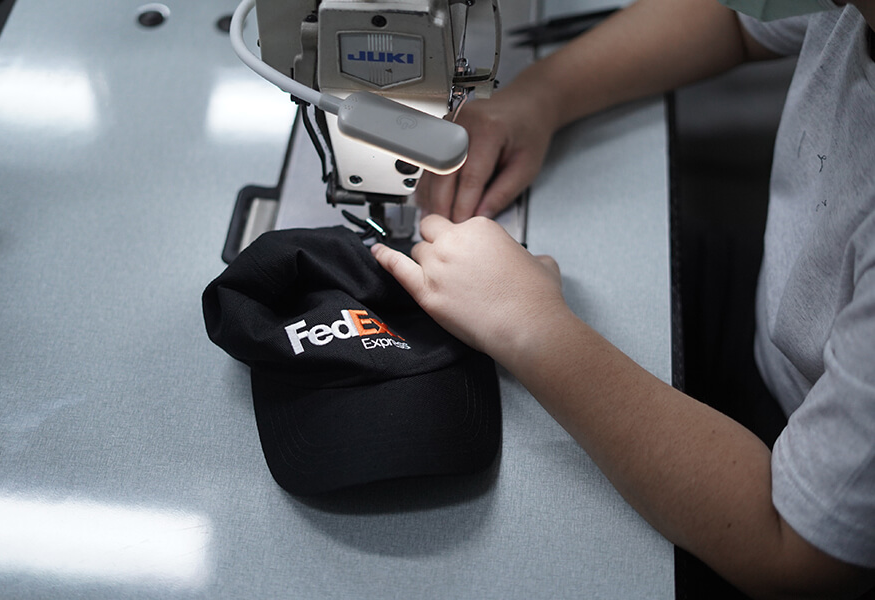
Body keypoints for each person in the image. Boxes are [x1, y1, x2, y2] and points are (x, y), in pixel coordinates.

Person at [370, 0, 875, 597]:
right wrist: (539, 95)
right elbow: (733, 18)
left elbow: (798, 554)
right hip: (779, 323)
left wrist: (530, 325)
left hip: (788, 489)